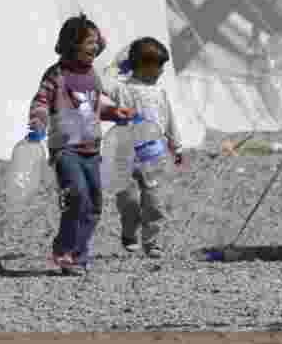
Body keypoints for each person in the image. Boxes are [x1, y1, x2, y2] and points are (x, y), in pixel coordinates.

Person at [26, 14, 135, 275]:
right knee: (77, 197)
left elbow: (95, 106)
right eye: (88, 42)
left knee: (94, 204)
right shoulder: (57, 75)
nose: (95, 47)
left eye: (96, 43)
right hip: (66, 150)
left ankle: (78, 255)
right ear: (72, 44)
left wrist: (114, 113)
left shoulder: (92, 76)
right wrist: (38, 123)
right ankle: (63, 251)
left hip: (91, 150)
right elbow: (40, 101)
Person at [107, 36, 184, 258]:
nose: (161, 71)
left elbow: (169, 120)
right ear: (143, 64)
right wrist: (118, 64)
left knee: (155, 202)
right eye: (159, 65)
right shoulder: (122, 90)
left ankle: (153, 241)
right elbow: (103, 82)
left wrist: (176, 146)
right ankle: (129, 231)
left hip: (154, 156)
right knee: (129, 200)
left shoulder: (160, 93)